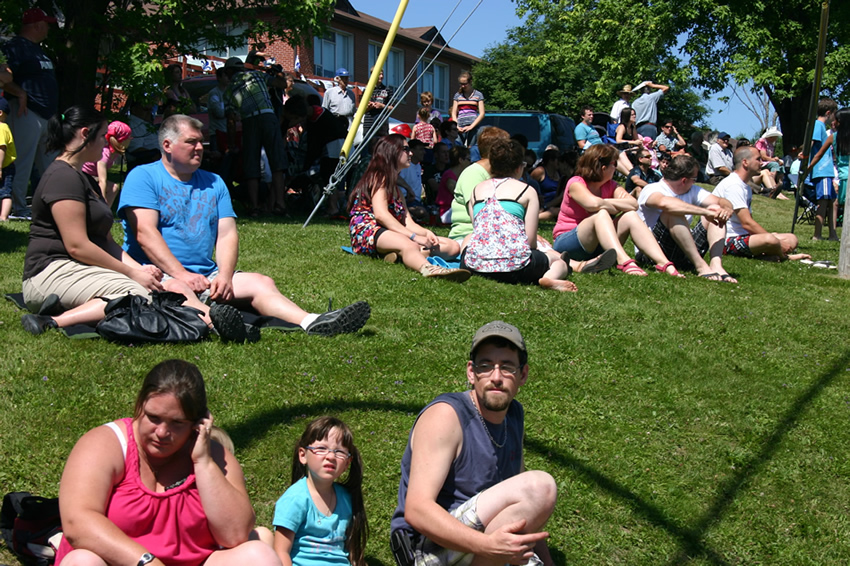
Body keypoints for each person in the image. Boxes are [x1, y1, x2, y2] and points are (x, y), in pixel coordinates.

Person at [118, 114, 371, 338]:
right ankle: (219, 323)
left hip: (207, 275)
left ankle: (311, 321)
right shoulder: (143, 177)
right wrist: (182, 274)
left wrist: (226, 277)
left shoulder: (214, 182)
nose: (199, 147)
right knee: (178, 289)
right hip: (159, 274)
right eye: (191, 142)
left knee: (262, 282)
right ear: (167, 145)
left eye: (200, 141)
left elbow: (227, 234)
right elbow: (145, 233)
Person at [55, 359, 282, 566]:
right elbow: (78, 523)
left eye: (177, 423)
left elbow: (235, 535)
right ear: (139, 406)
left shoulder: (214, 456)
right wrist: (146, 562)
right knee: (82, 561)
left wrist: (203, 462)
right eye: (154, 418)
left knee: (258, 556)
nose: (162, 432)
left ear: (198, 422)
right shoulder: (107, 444)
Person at [390, 321, 557, 566]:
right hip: (427, 548)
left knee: (536, 490)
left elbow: (524, 503)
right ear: (471, 372)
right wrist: (489, 547)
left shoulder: (514, 415)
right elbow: (417, 510)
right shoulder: (446, 416)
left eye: (507, 367)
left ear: (523, 375)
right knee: (541, 486)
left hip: (480, 547)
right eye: (486, 366)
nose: (496, 377)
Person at [19, 106, 167, 336]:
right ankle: (52, 320)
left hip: (79, 268)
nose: (106, 144)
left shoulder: (85, 178)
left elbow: (106, 241)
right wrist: (131, 274)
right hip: (49, 271)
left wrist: (140, 269)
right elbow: (77, 246)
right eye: (102, 137)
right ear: (85, 134)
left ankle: (71, 305)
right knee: (137, 294)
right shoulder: (62, 177)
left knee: (151, 291)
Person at [348, 134, 470, 281]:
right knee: (410, 244)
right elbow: (381, 215)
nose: (410, 153)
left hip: (391, 231)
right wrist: (413, 237)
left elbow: (408, 222)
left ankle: (397, 254)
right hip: (369, 230)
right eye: (406, 149)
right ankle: (428, 268)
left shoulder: (396, 189)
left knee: (451, 247)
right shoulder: (379, 178)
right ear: (392, 151)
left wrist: (426, 233)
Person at [552, 144, 685, 278]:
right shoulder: (576, 182)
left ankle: (664, 262)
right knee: (601, 214)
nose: (616, 168)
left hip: (599, 243)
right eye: (614, 164)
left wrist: (605, 202)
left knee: (630, 215)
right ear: (603, 167)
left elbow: (633, 204)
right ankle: (624, 261)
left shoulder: (611, 185)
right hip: (568, 243)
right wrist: (610, 205)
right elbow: (592, 204)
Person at [461, 139, 576, 292]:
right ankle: (550, 277)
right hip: (517, 268)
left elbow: (479, 231)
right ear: (518, 168)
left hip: (474, 265)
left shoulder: (476, 190)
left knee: (470, 237)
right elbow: (530, 242)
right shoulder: (527, 191)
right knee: (558, 260)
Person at [273, 416, 367, 566]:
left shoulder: (346, 498)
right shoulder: (295, 499)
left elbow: (350, 550)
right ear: (303, 455)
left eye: (339, 452)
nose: (330, 456)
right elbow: (280, 551)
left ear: (347, 463)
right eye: (321, 449)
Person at [636, 154, 738, 282]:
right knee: (672, 212)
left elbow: (720, 201)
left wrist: (726, 209)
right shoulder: (652, 189)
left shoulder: (692, 190)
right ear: (684, 180)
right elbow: (664, 203)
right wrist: (705, 212)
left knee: (714, 209)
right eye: (694, 179)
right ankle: (701, 266)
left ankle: (716, 265)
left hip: (682, 251)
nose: (694, 182)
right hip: (653, 253)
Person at [1, 8, 59, 220]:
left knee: (52, 165)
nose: (49, 28)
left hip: (47, 116)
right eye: (46, 24)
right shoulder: (15, 47)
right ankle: (18, 208)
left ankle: (49, 209)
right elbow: (4, 76)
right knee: (21, 163)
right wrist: (19, 93)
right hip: (26, 112)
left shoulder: (39, 50)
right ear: (37, 25)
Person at [712, 146, 808, 261]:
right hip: (727, 240)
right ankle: (784, 257)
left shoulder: (745, 186)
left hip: (743, 236)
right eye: (758, 159)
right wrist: (775, 241)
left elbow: (749, 223)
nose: (762, 163)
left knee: (791, 238)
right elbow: (746, 223)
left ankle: (767, 255)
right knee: (770, 240)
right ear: (745, 162)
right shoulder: (734, 185)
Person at [222, 57, 289, 216]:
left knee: (251, 163)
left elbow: (231, 120)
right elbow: (283, 84)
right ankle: (279, 204)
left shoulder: (229, 91)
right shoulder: (257, 75)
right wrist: (277, 74)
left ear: (229, 72)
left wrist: (231, 144)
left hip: (249, 121)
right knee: (277, 162)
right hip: (268, 116)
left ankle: (254, 207)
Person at [448, 126, 510, 244]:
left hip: (493, 234)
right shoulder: (473, 174)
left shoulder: (496, 174)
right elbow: (477, 215)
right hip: (468, 236)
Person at [805, 98, 839, 241]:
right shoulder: (818, 125)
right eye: (834, 115)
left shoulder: (820, 127)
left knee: (833, 202)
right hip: (822, 170)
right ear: (828, 113)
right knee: (823, 202)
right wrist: (806, 159)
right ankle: (817, 235)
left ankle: (832, 234)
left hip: (828, 171)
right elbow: (811, 143)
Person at [81, 120, 132, 206]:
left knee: (114, 187)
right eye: (129, 138)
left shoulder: (115, 152)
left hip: (92, 177)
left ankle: (105, 215)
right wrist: (102, 199)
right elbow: (102, 180)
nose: (131, 140)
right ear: (121, 140)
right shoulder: (105, 153)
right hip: (84, 176)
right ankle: (102, 210)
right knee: (105, 189)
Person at [435, 145, 470, 222]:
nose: (470, 162)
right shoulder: (449, 176)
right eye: (468, 159)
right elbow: (458, 195)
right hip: (446, 212)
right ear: (461, 160)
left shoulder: (460, 175)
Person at [451, 72, 485, 146]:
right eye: (461, 84)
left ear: (470, 82)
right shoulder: (457, 95)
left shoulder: (478, 95)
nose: (463, 86)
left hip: (473, 126)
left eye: (465, 84)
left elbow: (482, 113)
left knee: (471, 148)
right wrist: (457, 126)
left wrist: (471, 126)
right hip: (460, 126)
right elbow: (453, 113)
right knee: (458, 147)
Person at [753, 126, 786, 199]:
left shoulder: (771, 144)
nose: (776, 138)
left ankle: (779, 186)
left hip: (768, 162)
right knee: (774, 165)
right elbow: (763, 156)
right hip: (761, 163)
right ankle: (773, 187)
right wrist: (774, 159)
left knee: (781, 167)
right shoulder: (762, 142)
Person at [363, 68, 394, 138]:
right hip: (369, 124)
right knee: (368, 145)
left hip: (382, 123)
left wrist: (382, 106)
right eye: (379, 74)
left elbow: (392, 108)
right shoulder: (366, 90)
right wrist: (369, 107)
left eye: (382, 74)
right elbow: (361, 110)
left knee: (382, 145)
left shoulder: (387, 90)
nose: (381, 76)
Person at [0, 97, 16, 221]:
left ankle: (4, 217)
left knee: (5, 192)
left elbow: (2, 149)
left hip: (4, 166)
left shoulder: (1, 128)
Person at [207, 67, 229, 155]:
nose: (228, 77)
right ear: (219, 78)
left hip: (229, 132)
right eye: (225, 75)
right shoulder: (214, 93)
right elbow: (219, 113)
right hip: (217, 133)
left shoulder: (230, 92)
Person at [614, 108, 644, 175]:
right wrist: (633, 142)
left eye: (635, 114)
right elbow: (618, 140)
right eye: (632, 115)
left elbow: (636, 139)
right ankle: (632, 171)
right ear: (627, 116)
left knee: (642, 150)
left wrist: (640, 144)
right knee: (623, 153)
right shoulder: (622, 127)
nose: (634, 116)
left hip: (629, 148)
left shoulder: (632, 127)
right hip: (620, 148)